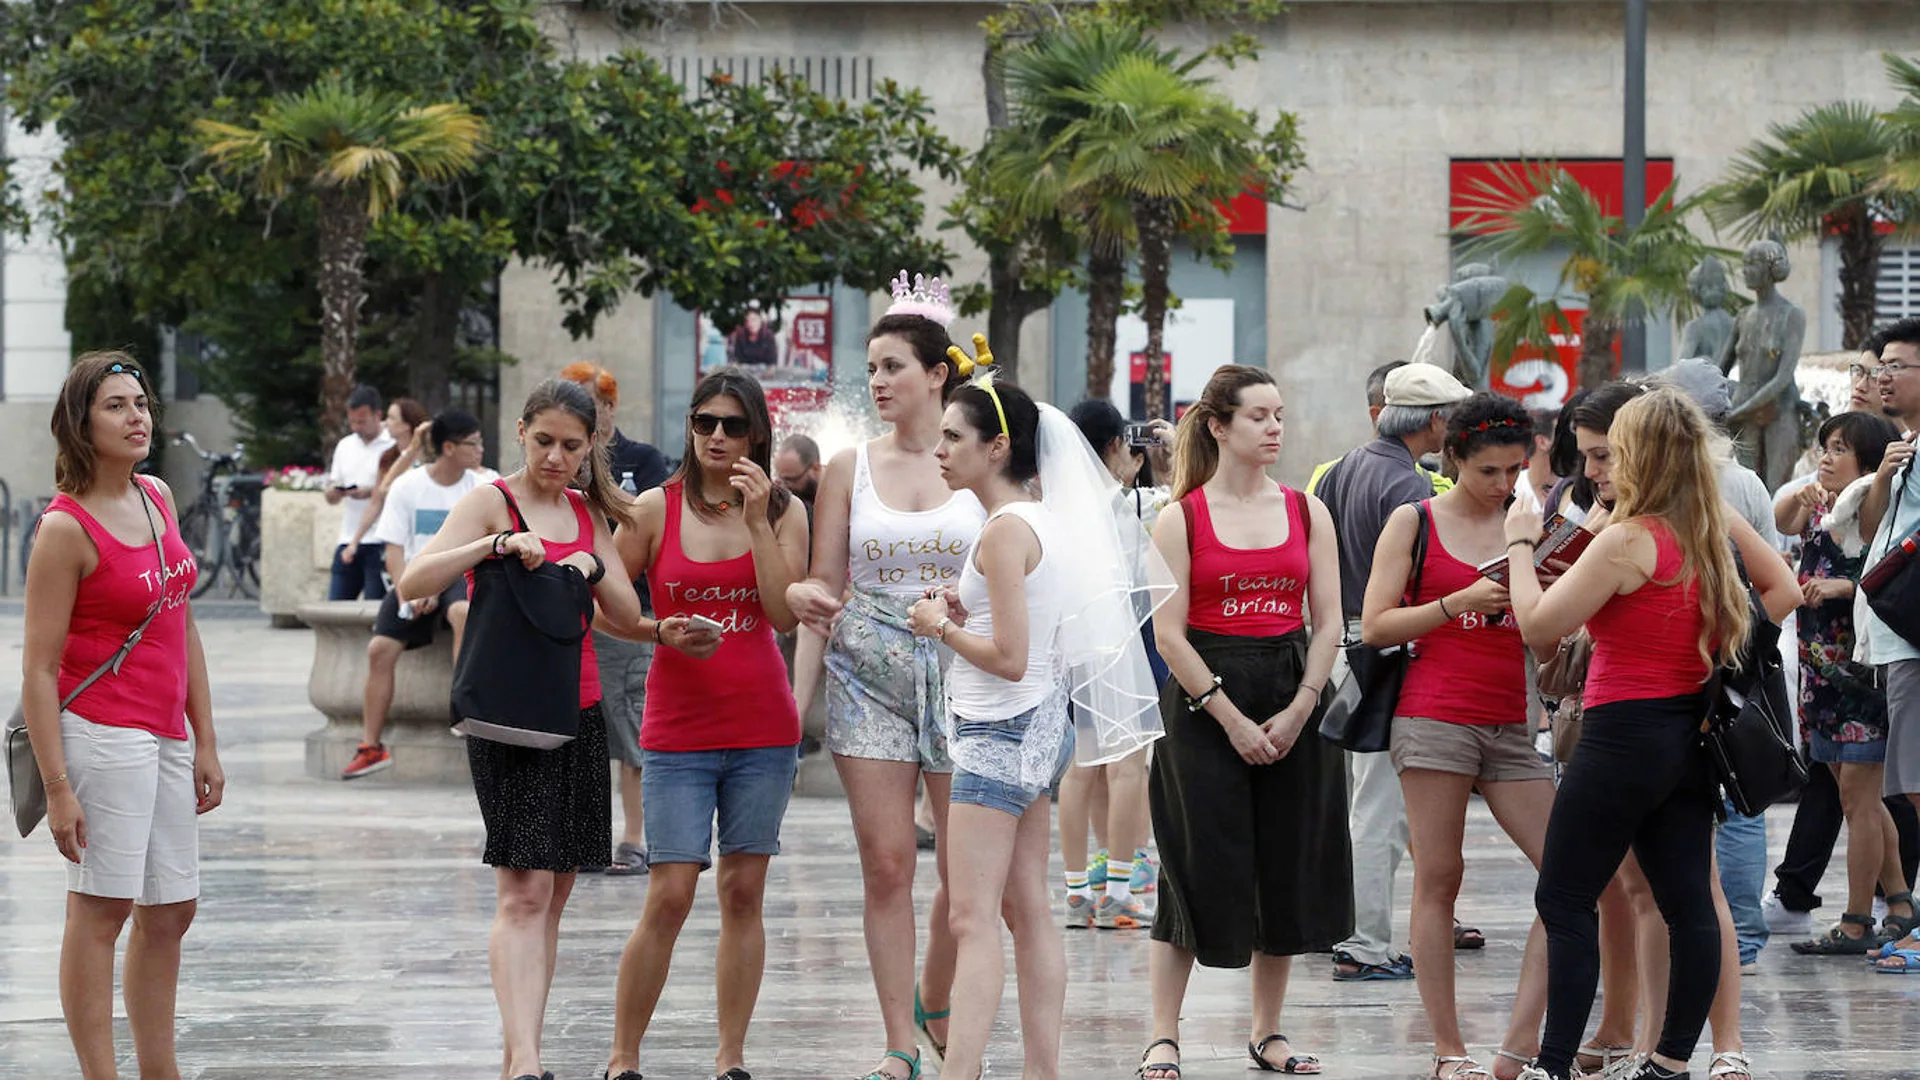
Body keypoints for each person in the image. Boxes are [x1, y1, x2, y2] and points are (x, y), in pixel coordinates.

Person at [1506, 387, 1798, 1080]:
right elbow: (1778, 592)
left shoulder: (1629, 539)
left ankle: (1552, 1065)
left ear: (1643, 455)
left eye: (1611, 454)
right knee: (1687, 902)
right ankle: (1669, 1060)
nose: (1597, 468)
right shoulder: (1704, 529)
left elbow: (1538, 625)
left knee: (1565, 897)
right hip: (1687, 735)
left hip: (1621, 735)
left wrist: (1520, 545)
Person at [905, 369, 1160, 1080]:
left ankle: (961, 1070)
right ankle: (1040, 1070)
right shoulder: (1037, 520)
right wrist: (962, 614)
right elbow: (1028, 631)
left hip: (998, 733)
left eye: (954, 437)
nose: (940, 450)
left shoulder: (1003, 532)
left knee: (972, 919)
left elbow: (1010, 659)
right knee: (1029, 910)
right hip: (1041, 732)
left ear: (997, 448)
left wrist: (938, 626)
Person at [398, 379, 642, 1080]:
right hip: (509, 714)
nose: (556, 458)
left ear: (591, 444)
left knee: (556, 891)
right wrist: (497, 543)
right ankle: (529, 1062)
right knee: (524, 890)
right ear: (521, 431)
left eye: (571, 445)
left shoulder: (585, 511)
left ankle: (518, 1055)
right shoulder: (488, 500)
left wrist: (589, 563)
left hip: (579, 710)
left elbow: (623, 612)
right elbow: (414, 582)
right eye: (544, 442)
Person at [783, 304, 983, 1080]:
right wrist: (796, 703)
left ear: (937, 374)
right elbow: (822, 595)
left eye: (893, 366)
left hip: (964, 672)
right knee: (888, 863)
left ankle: (940, 996)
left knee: (967, 871)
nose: (877, 382)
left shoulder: (978, 462)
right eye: (870, 369)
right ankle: (900, 1041)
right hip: (867, 675)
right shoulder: (848, 466)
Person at [1138, 364, 1348, 1080]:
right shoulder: (1180, 517)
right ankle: (1164, 1034)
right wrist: (1229, 718)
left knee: (1285, 863)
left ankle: (1269, 1031)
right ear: (1218, 425)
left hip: (1293, 691)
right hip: (1204, 705)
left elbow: (1330, 622)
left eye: (1280, 415)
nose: (1275, 429)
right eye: (1259, 416)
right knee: (1194, 865)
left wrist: (1302, 705)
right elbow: (1169, 637)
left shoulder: (1306, 508)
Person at [19, 351, 223, 1080]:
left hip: (167, 732)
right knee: (101, 911)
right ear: (81, 422)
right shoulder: (64, 530)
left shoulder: (158, 496)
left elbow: (181, 624)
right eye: (116, 406)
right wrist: (60, 784)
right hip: (102, 735)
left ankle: (157, 1072)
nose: (137, 417)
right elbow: (39, 668)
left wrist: (207, 740)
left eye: (140, 403)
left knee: (171, 910)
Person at [603, 367, 809, 1080]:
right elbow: (608, 608)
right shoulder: (654, 509)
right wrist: (659, 632)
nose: (716, 436)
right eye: (703, 422)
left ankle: (730, 1058)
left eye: (731, 424)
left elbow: (785, 615)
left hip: (762, 726)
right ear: (690, 428)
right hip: (678, 728)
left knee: (743, 891)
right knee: (671, 891)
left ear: (756, 432)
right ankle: (623, 1057)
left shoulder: (784, 511)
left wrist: (756, 521)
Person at [1361, 393, 1552, 1080]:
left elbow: (1549, 625)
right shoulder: (1413, 522)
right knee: (1440, 877)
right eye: (1488, 473)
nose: (1504, 485)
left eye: (1514, 470)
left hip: (1512, 721)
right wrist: (1454, 604)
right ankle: (1449, 1050)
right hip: (1433, 713)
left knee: (1567, 874)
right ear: (1455, 462)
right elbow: (1376, 623)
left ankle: (1518, 1044)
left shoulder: (1532, 526)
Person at [1312, 361, 1473, 982]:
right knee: (1380, 806)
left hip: (1344, 645)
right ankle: (1364, 942)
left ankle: (1353, 932)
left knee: (1365, 799)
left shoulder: (1343, 468)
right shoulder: (1408, 486)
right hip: (1387, 649)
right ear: (1434, 420)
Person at [1774, 411, 1914, 954]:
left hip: (1859, 672)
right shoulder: (1822, 505)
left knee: (1859, 800)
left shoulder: (1874, 509)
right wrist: (1800, 497)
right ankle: (1900, 899)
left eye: (1840, 448)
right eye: (1824, 446)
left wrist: (1839, 587)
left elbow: (1887, 576)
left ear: (1870, 460)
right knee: (1859, 798)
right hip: (1820, 672)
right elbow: (1784, 522)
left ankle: (1857, 920)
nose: (1827, 457)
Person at [1057, 399, 1170, 931]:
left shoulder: (1056, 507)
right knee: (1130, 765)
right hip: (1125, 641)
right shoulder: (1132, 505)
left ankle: (1078, 891)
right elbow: (1179, 507)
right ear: (1113, 448)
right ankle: (1122, 890)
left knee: (1082, 765)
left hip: (1074, 643)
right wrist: (1167, 463)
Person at [560, 362, 672, 877]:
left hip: (630, 609)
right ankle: (585, 832)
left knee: (630, 724)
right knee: (580, 727)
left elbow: (656, 520)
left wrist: (599, 489)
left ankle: (635, 835)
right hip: (570, 612)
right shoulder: (558, 460)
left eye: (588, 403)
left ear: (608, 408)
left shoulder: (642, 460)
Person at [340, 410, 495, 780]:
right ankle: (371, 746)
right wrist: (409, 594)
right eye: (473, 442)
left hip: (462, 573)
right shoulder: (409, 487)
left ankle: (463, 709)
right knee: (379, 649)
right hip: (415, 574)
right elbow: (393, 550)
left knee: (462, 611)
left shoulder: (483, 487)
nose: (480, 449)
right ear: (448, 447)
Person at [1857, 316, 1920, 971]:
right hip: (1897, 642)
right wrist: (1881, 477)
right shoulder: (1904, 449)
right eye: (1883, 367)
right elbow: (1869, 534)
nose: (1883, 377)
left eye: (1898, 365)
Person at [340, 397, 430, 574]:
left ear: (406, 425)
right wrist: (354, 542)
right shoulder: (388, 456)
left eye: (391, 418)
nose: (385, 423)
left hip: (418, 537)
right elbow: (378, 498)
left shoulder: (427, 457)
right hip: (392, 536)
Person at [325, 384, 396, 600]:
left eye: (362, 421)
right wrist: (334, 492)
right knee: (336, 604)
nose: (356, 427)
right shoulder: (345, 446)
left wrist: (371, 491)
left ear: (378, 415)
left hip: (380, 538)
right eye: (352, 421)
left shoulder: (393, 445)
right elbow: (332, 487)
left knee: (375, 606)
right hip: (348, 537)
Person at [775, 433, 824, 508]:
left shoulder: (838, 495)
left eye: (790, 480)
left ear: (815, 468)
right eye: (779, 479)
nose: (782, 487)